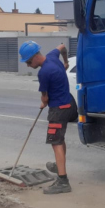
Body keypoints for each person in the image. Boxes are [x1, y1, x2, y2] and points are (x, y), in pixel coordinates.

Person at [20, 40, 78, 195]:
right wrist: (65, 62)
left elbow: (45, 98)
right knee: (60, 139)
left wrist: (42, 103)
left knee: (56, 142)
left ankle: (63, 181)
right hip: (68, 106)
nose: (28, 65)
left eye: (28, 62)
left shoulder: (44, 72)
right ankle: (60, 166)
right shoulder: (52, 56)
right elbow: (62, 47)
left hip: (57, 109)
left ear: (34, 57)